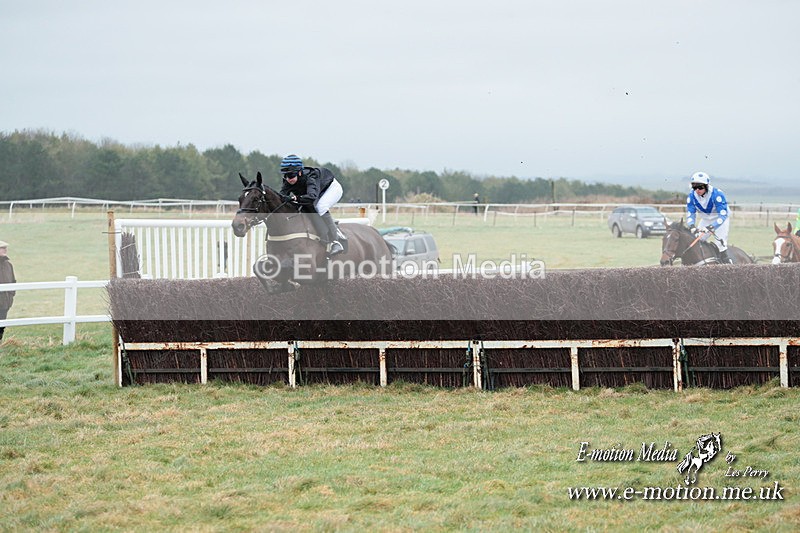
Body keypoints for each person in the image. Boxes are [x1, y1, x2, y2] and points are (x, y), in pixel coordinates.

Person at [278, 154, 345, 255]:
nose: (288, 179)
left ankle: (336, 241)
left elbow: (311, 197)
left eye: (291, 175)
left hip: (331, 188)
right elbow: (281, 197)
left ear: (299, 172)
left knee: (320, 207)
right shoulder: (288, 181)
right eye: (285, 176)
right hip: (317, 191)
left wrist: (294, 198)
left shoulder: (311, 176)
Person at [685, 172, 733, 264]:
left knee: (720, 244)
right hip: (706, 219)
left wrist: (712, 227)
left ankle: (728, 264)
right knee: (696, 240)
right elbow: (691, 213)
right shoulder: (691, 196)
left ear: (706, 186)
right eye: (694, 187)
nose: (697, 190)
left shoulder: (717, 194)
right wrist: (691, 226)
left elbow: (722, 215)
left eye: (700, 187)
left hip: (720, 220)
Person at [0, 241, 16, 341]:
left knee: (1, 326)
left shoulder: (8, 265)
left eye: (5, 247)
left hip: (5, 303)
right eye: (2, 248)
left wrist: (10, 296)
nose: (5, 249)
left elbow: (13, 281)